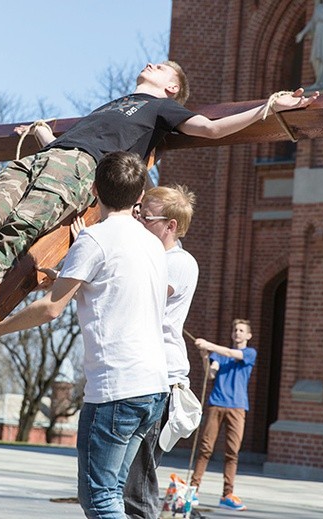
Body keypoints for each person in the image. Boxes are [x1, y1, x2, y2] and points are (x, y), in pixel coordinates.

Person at [0, 61, 318, 316]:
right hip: (44, 157)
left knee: (20, 227)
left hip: (81, 170)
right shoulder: (111, 103)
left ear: (172, 87)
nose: (152, 65)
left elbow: (210, 128)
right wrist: (43, 135)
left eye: (162, 68)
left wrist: (268, 107)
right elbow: (79, 136)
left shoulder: (161, 108)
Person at [0, 151, 169, 519]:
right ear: (139, 197)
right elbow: (119, 284)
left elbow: (51, 309)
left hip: (116, 390)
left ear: (92, 189)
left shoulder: (95, 240)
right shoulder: (152, 244)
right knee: (115, 495)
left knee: (101, 501)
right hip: (154, 388)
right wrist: (69, 275)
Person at [122, 186, 200, 519]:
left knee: (137, 488)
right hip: (139, 377)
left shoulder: (178, 263)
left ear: (170, 226)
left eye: (144, 216)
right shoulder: (150, 256)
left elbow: (135, 291)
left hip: (160, 382)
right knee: (122, 483)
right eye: (136, 211)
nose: (136, 219)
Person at [189, 319, 257, 512]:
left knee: (232, 452)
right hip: (216, 403)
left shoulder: (249, 353)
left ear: (248, 335)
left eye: (241, 330)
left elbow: (229, 353)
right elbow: (210, 374)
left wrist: (209, 345)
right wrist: (204, 355)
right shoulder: (220, 356)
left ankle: (227, 494)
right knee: (205, 448)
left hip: (237, 407)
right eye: (235, 330)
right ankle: (193, 489)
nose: (237, 333)